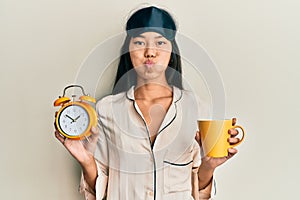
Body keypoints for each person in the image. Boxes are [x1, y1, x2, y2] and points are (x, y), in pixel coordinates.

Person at [54, 5, 240, 200]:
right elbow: (97, 191)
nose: (150, 52)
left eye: (160, 43)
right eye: (140, 42)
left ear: (171, 51)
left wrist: (209, 166)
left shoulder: (197, 108)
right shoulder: (106, 109)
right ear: (128, 50)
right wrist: (86, 161)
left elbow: (199, 193)